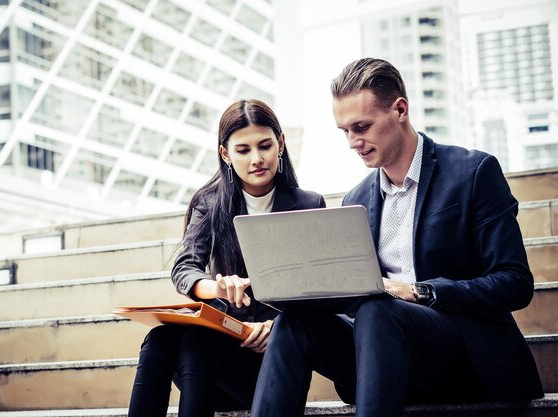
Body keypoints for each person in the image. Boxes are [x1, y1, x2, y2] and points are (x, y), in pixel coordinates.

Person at [250, 58, 543, 417]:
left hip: (464, 353)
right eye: (344, 131)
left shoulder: (473, 172)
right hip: (384, 357)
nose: (353, 142)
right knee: (295, 322)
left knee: (378, 308)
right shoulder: (356, 199)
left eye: (362, 127)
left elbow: (515, 282)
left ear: (400, 109)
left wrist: (419, 290)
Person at [127, 99, 326, 417]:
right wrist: (216, 288)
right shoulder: (210, 202)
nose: (257, 159)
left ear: (280, 144)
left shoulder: (308, 204)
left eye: (265, 146)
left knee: (195, 341)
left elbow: (319, 289)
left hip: (271, 365)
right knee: (159, 338)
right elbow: (186, 267)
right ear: (226, 154)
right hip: (213, 364)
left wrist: (278, 326)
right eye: (243, 150)